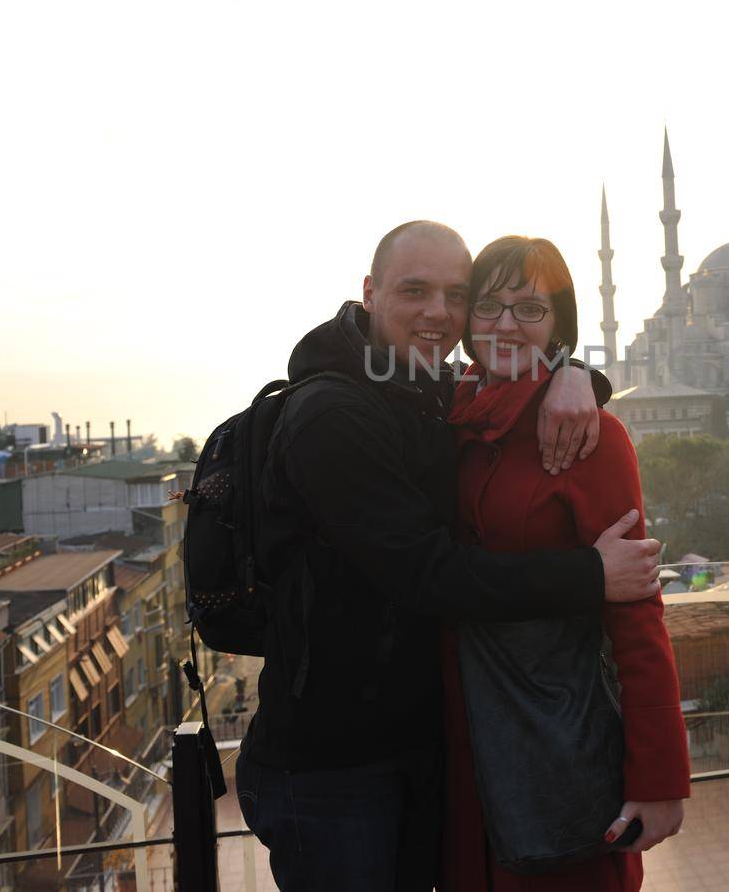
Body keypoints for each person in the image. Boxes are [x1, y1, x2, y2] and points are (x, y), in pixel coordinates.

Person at [237, 221, 663, 892]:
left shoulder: (440, 397)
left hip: (457, 750)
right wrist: (592, 574)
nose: (440, 311)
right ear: (371, 293)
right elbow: (429, 572)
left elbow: (639, 624)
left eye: (455, 294)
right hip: (335, 768)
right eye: (416, 290)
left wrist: (576, 374)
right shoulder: (335, 416)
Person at [440, 236, 689, 892]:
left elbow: (637, 620)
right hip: (465, 753)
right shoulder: (454, 416)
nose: (504, 324)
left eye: (530, 308)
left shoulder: (589, 438)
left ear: (561, 325)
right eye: (489, 305)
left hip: (556, 752)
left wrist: (660, 782)